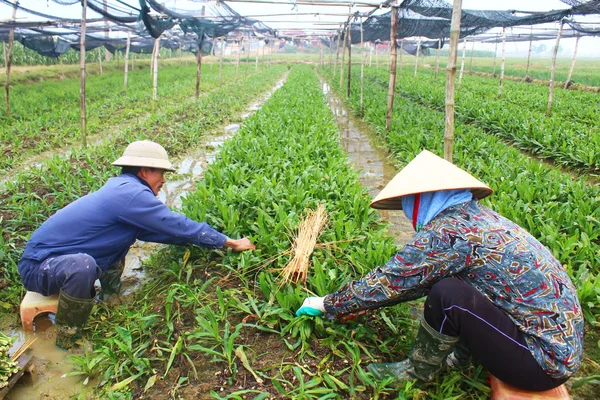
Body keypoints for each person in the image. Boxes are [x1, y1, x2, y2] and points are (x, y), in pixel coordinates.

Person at [296, 150, 583, 392]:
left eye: (410, 204)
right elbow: (416, 282)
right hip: (556, 348)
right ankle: (462, 356)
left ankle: (417, 371)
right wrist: (361, 306)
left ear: (425, 199)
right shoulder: (477, 217)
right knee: (450, 284)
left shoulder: (448, 232)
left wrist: (326, 303)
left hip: (542, 363)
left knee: (447, 293)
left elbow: (392, 280)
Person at [18, 140, 255, 349]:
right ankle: (67, 339)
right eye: (160, 173)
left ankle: (110, 295)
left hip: (57, 263)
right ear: (144, 171)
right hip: (40, 266)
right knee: (84, 265)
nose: (163, 179)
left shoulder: (124, 191)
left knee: (116, 239)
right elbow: (175, 223)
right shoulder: (130, 194)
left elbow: (166, 232)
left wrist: (212, 244)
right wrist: (228, 242)